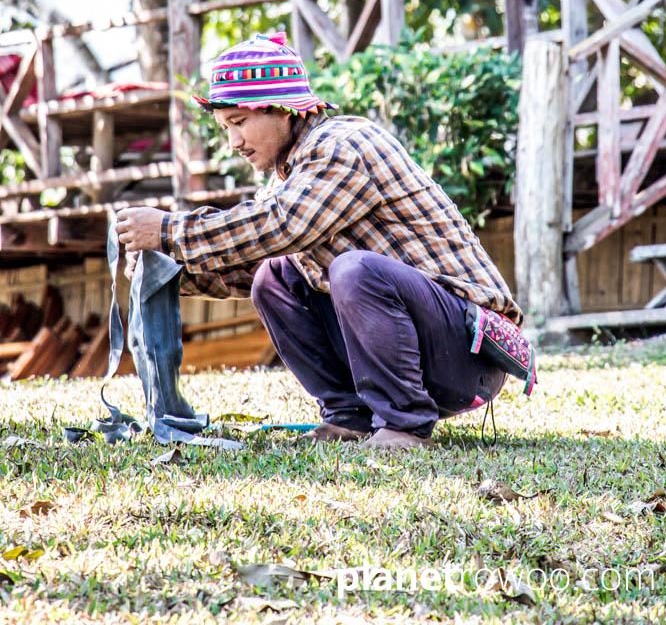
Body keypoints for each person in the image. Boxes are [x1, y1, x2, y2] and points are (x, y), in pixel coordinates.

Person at [116, 31, 524, 450]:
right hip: (429, 349)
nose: (233, 142)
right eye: (225, 128)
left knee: (354, 268)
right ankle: (351, 416)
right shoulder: (289, 177)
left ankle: (405, 424)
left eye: (239, 123)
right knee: (273, 276)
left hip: (470, 354)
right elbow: (251, 263)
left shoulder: (343, 146)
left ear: (284, 110)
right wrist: (169, 271)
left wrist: (169, 231)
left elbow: (283, 226)